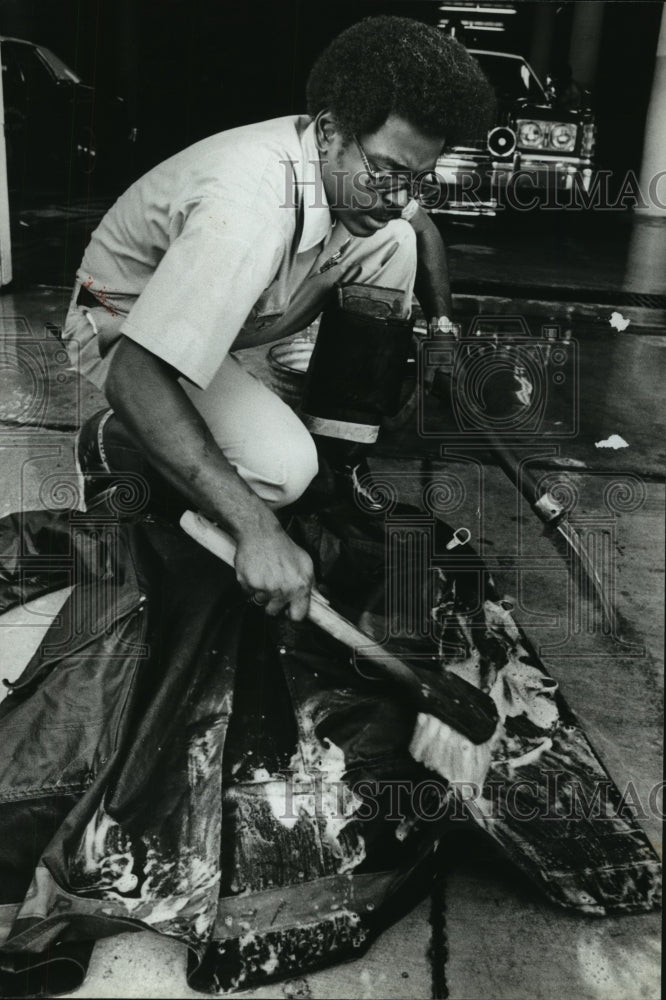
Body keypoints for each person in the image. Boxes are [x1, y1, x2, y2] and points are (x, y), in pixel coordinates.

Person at [63, 15, 492, 622]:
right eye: (389, 174)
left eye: (415, 179)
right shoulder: (248, 208)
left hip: (232, 310)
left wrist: (443, 329)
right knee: (281, 471)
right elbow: (135, 370)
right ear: (330, 130)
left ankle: (338, 465)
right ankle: (118, 443)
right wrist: (257, 530)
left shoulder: (359, 164)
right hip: (124, 326)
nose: (399, 194)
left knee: (393, 239)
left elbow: (418, 229)